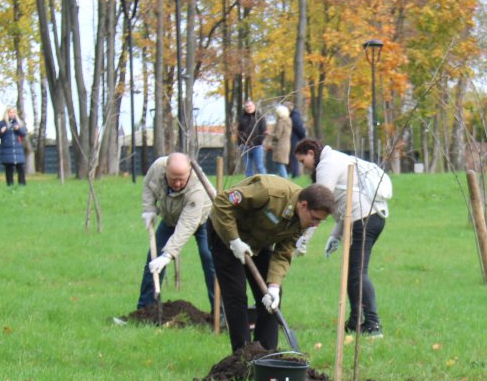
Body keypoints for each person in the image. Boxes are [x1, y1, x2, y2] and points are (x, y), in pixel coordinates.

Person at [207, 175, 333, 351]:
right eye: (315, 218)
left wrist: (273, 285)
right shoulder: (269, 192)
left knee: (272, 296)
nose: (316, 224)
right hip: (225, 234)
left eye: (320, 220)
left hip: (259, 241)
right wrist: (234, 240)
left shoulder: (304, 221)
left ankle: (266, 352)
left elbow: (284, 252)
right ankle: (243, 355)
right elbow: (222, 202)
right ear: (303, 205)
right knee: (236, 296)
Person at [293, 139, 392, 338]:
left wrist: (304, 238)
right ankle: (356, 321)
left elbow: (320, 205)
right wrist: (334, 236)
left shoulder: (327, 165)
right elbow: (346, 203)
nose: (304, 167)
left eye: (304, 161)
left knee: (357, 273)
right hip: (368, 216)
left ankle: (372, 324)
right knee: (352, 272)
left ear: (312, 153)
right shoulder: (337, 159)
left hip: (364, 219)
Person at [138, 152, 214, 312]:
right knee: (153, 259)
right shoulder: (158, 167)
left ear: (189, 173)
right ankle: (145, 310)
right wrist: (149, 209)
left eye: (182, 179)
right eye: (174, 179)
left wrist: (168, 255)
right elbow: (147, 185)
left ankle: (221, 313)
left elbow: (187, 225)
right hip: (170, 217)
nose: (178, 183)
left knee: (209, 257)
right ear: (166, 170)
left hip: (204, 219)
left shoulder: (196, 188)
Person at [0, 107, 28, 186]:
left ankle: (22, 184)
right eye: (10, 112)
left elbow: (24, 133)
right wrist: (1, 131)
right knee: (9, 168)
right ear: (7, 113)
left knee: (20, 167)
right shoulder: (2, 123)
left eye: (13, 112)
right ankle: (10, 185)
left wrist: (18, 129)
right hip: (7, 150)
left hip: (17, 150)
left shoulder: (19, 123)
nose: (12, 114)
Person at [236, 100, 267, 177]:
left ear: (254, 107)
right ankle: (249, 184)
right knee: (248, 168)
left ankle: (265, 182)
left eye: (250, 106)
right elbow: (239, 131)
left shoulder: (260, 117)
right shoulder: (242, 118)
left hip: (257, 146)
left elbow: (263, 131)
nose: (248, 108)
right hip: (245, 146)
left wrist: (258, 142)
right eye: (247, 106)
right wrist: (240, 143)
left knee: (259, 166)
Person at [268, 104, 293, 179]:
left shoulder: (281, 122)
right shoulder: (289, 121)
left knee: (280, 165)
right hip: (286, 145)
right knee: (281, 164)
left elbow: (277, 136)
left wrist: (269, 134)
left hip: (280, 146)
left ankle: (286, 183)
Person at [286, 105, 307, 178]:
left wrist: (303, 138)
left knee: (293, 157)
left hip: (294, 140)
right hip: (293, 140)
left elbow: (300, 129)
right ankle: (293, 174)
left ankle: (295, 174)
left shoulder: (294, 117)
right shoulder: (293, 116)